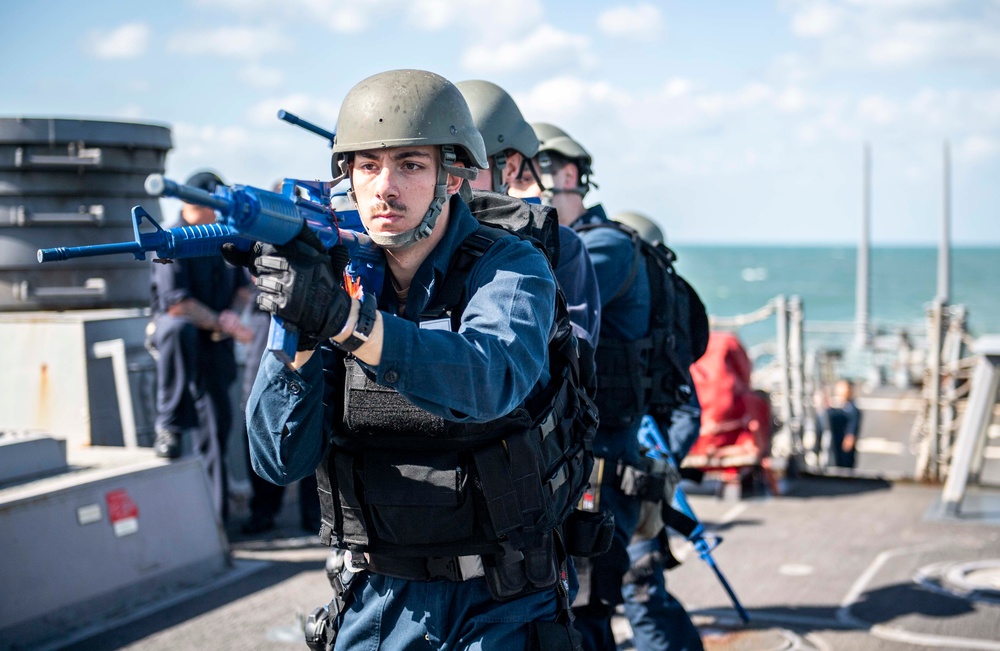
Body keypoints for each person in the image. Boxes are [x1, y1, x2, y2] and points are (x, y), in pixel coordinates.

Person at [240, 69, 591, 650]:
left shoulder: (511, 268)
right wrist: (298, 336)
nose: (384, 187)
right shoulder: (342, 280)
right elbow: (279, 461)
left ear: (452, 178)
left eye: (410, 164)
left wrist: (351, 325)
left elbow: (488, 378)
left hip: (500, 600)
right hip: (376, 603)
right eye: (367, 165)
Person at [524, 126, 702, 650]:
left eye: (525, 173)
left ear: (568, 175)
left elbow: (533, 287)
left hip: (602, 471)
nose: (513, 189)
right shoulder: (595, 244)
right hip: (591, 465)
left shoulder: (601, 249)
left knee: (591, 613)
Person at [455, 79, 601, 364]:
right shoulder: (404, 240)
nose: (449, 177)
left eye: (466, 163)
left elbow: (574, 353)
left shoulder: (560, 245)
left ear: (508, 168)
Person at [611, 212, 705, 651]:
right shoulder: (626, 336)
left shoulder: (661, 342)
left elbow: (688, 412)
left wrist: (661, 460)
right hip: (615, 476)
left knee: (641, 588)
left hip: (641, 478)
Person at [149, 170, 253, 521]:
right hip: (183, 344)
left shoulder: (224, 237)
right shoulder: (171, 239)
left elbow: (242, 288)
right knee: (178, 328)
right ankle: (170, 424)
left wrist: (232, 317)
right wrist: (223, 321)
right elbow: (176, 303)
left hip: (216, 346)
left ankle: (218, 522)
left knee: (218, 431)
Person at [239, 185, 321, 536]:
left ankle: (313, 518)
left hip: (307, 322)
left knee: (310, 423)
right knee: (263, 421)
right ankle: (263, 512)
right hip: (267, 326)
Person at [826, 379, 862, 469]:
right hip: (836, 441)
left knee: (845, 463)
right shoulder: (839, 406)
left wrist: (850, 437)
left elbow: (853, 424)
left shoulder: (852, 408)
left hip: (844, 442)